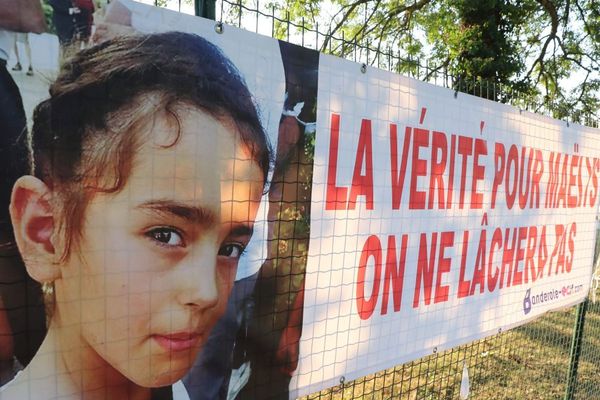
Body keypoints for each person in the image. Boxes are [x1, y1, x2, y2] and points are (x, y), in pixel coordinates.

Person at [2, 31, 271, 399]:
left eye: (230, 249)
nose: (207, 293)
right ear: (45, 231)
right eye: (165, 234)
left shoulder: (172, 390)